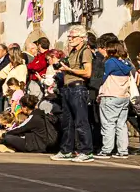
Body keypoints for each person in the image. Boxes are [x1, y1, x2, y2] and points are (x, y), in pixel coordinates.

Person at [50, 25, 94, 162]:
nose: (70, 39)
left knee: (81, 121)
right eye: (69, 36)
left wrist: (69, 69)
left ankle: (86, 151)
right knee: (67, 122)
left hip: (78, 88)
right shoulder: (73, 52)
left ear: (82, 38)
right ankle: (66, 150)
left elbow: (87, 72)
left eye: (73, 37)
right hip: (68, 88)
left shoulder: (85, 51)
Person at [96, 39, 133, 158]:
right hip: (124, 96)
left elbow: (103, 78)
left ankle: (106, 150)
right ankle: (123, 151)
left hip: (110, 95)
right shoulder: (126, 64)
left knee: (108, 123)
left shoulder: (109, 63)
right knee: (121, 124)